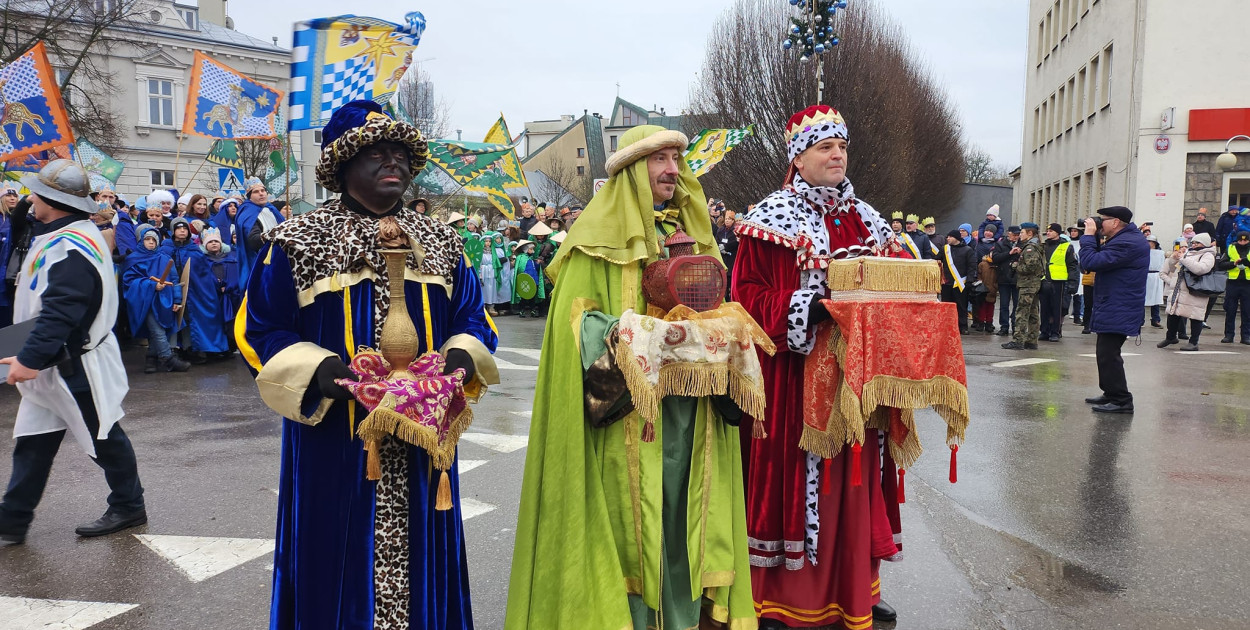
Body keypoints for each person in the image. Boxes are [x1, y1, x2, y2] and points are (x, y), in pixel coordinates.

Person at [240, 100, 499, 629]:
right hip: (336, 440)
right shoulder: (297, 241)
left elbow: (475, 317)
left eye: (401, 155)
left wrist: (452, 362)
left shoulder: (444, 241)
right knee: (332, 556)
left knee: (423, 554)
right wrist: (323, 373)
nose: (394, 164)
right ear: (342, 164)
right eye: (378, 154)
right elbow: (259, 327)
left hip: (426, 439)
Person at [506, 124, 756, 630]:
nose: (672, 169)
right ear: (631, 171)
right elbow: (575, 327)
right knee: (634, 526)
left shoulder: (697, 234)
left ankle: (682, 618)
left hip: (689, 417)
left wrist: (727, 328)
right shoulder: (592, 242)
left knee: (682, 514)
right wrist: (640, 333)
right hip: (627, 421)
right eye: (659, 159)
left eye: (676, 159)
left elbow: (717, 305)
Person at [731, 105, 901, 627]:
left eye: (842, 147)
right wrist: (810, 308)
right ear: (798, 158)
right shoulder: (770, 217)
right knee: (798, 485)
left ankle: (857, 589)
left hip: (856, 381)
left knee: (855, 486)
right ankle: (779, 597)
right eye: (825, 148)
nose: (837, 156)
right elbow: (746, 297)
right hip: (793, 381)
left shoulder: (867, 218)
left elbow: (895, 285)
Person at [0, 159, 145, 545]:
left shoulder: (71, 246)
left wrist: (29, 359)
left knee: (104, 436)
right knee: (33, 442)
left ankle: (129, 505)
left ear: (51, 199)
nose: (29, 198)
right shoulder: (63, 232)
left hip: (74, 363)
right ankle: (11, 522)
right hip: (55, 359)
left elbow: (63, 310)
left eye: (35, 194)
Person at [1078, 206, 1149, 414]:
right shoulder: (1123, 239)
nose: (1100, 224)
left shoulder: (1128, 242)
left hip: (1120, 304)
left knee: (1109, 354)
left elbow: (1091, 261)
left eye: (1103, 220)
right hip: (1114, 303)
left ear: (1116, 222)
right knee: (1105, 353)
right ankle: (1111, 392)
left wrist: (1089, 236)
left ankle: (1121, 400)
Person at [123, 225, 189, 374]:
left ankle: (151, 358)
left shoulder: (165, 258)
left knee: (161, 329)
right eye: (147, 239)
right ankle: (168, 359)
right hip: (144, 302)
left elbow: (174, 279)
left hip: (164, 300)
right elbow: (129, 282)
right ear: (141, 241)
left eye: (154, 239)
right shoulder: (133, 259)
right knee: (156, 329)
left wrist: (177, 300)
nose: (151, 242)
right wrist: (151, 285)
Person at [186, 227, 240, 360]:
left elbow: (235, 275)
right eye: (210, 242)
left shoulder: (231, 257)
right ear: (204, 245)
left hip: (229, 295)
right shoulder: (201, 260)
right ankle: (212, 349)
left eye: (216, 241)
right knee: (213, 322)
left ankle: (228, 347)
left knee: (229, 322)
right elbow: (200, 278)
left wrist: (228, 286)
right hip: (211, 296)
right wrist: (214, 286)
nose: (214, 244)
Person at [1158, 232, 1216, 352]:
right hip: (1179, 289)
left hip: (1195, 290)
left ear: (1204, 243)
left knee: (1195, 316)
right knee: (1173, 313)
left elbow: (1200, 269)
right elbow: (1174, 269)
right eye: (1193, 242)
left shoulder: (1208, 255)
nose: (1194, 244)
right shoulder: (1188, 252)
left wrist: (1183, 259)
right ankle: (1170, 337)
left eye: (1197, 242)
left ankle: (1194, 342)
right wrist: (1174, 258)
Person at [1002, 223, 1045, 350]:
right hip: (1033, 284)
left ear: (1030, 234)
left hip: (1028, 284)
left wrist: (1015, 266)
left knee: (1022, 312)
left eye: (1022, 232)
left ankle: (1018, 340)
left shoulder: (1031, 248)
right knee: (1033, 312)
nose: (1020, 235)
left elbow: (1030, 267)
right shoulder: (1033, 246)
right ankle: (1031, 340)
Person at [235, 178, 283, 288]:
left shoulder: (272, 209)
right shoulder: (247, 212)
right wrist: (271, 236)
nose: (261, 194)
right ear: (249, 196)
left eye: (263, 190)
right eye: (256, 192)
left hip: (278, 258)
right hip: (260, 262)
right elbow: (253, 240)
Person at [1039, 223, 1078, 342]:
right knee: (1044, 308)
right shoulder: (1043, 246)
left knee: (1057, 308)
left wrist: (1072, 282)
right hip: (1044, 280)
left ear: (1057, 232)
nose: (1048, 233)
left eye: (1051, 231)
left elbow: (1072, 266)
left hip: (1059, 281)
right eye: (1047, 231)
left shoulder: (1066, 246)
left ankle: (1055, 332)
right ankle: (1044, 331)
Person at [941, 229, 977, 334]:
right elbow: (937, 259)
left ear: (956, 238)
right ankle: (947, 326)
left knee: (961, 306)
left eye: (950, 237)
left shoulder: (967, 250)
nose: (948, 239)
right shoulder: (945, 249)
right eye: (947, 237)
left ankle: (963, 326)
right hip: (947, 283)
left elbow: (972, 266)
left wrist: (970, 280)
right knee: (947, 306)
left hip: (961, 282)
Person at [1218, 231, 1250, 344]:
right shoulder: (1231, 248)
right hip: (1233, 283)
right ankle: (1229, 335)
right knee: (1230, 310)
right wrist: (1234, 264)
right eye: (1240, 240)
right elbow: (1221, 265)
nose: (1242, 242)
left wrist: (1248, 263)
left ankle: (1246, 336)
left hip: (1247, 284)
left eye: (1245, 240)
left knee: (1247, 311)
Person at [991, 226, 1021, 336]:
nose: (1016, 237)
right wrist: (1009, 253)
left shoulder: (1022, 244)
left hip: (1017, 278)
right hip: (1004, 278)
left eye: (1018, 235)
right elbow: (995, 258)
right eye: (1014, 234)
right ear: (1009, 233)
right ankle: (1004, 326)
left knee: (1017, 304)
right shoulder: (1000, 244)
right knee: (1004, 304)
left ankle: (1015, 325)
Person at [1145, 236, 1165, 328]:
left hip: (1156, 276)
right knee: (1143, 298)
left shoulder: (1160, 253)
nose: (1149, 243)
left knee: (1156, 299)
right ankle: (1140, 320)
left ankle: (1155, 319)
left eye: (1151, 241)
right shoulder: (1143, 252)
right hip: (1145, 275)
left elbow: (1163, 265)